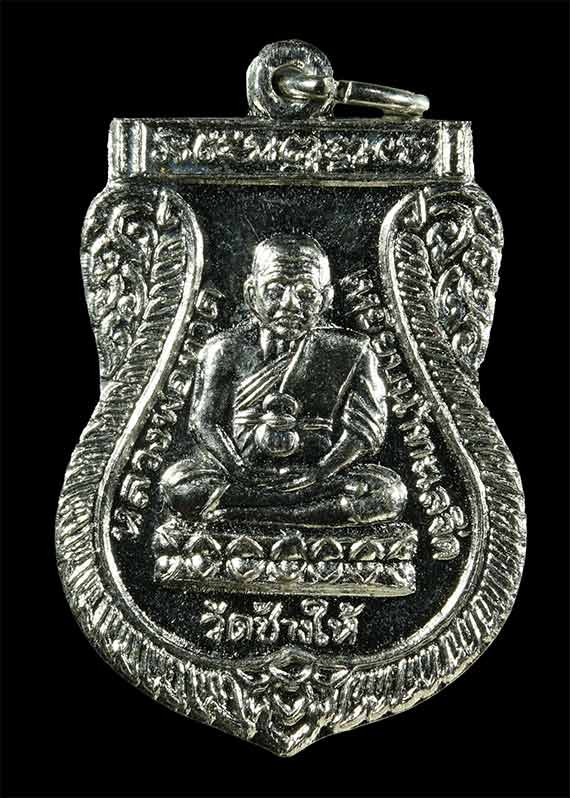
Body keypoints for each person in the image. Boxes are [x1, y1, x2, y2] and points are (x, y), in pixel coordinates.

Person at [160, 233, 407, 527]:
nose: (290, 304)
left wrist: (320, 471)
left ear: (326, 299)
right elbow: (205, 423)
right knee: (180, 485)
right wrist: (240, 471)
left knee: (387, 493)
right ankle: (307, 514)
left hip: (319, 476)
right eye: (275, 291)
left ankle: (260, 514)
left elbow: (365, 431)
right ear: (251, 294)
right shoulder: (223, 349)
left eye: (306, 294)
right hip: (244, 476)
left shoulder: (351, 351)